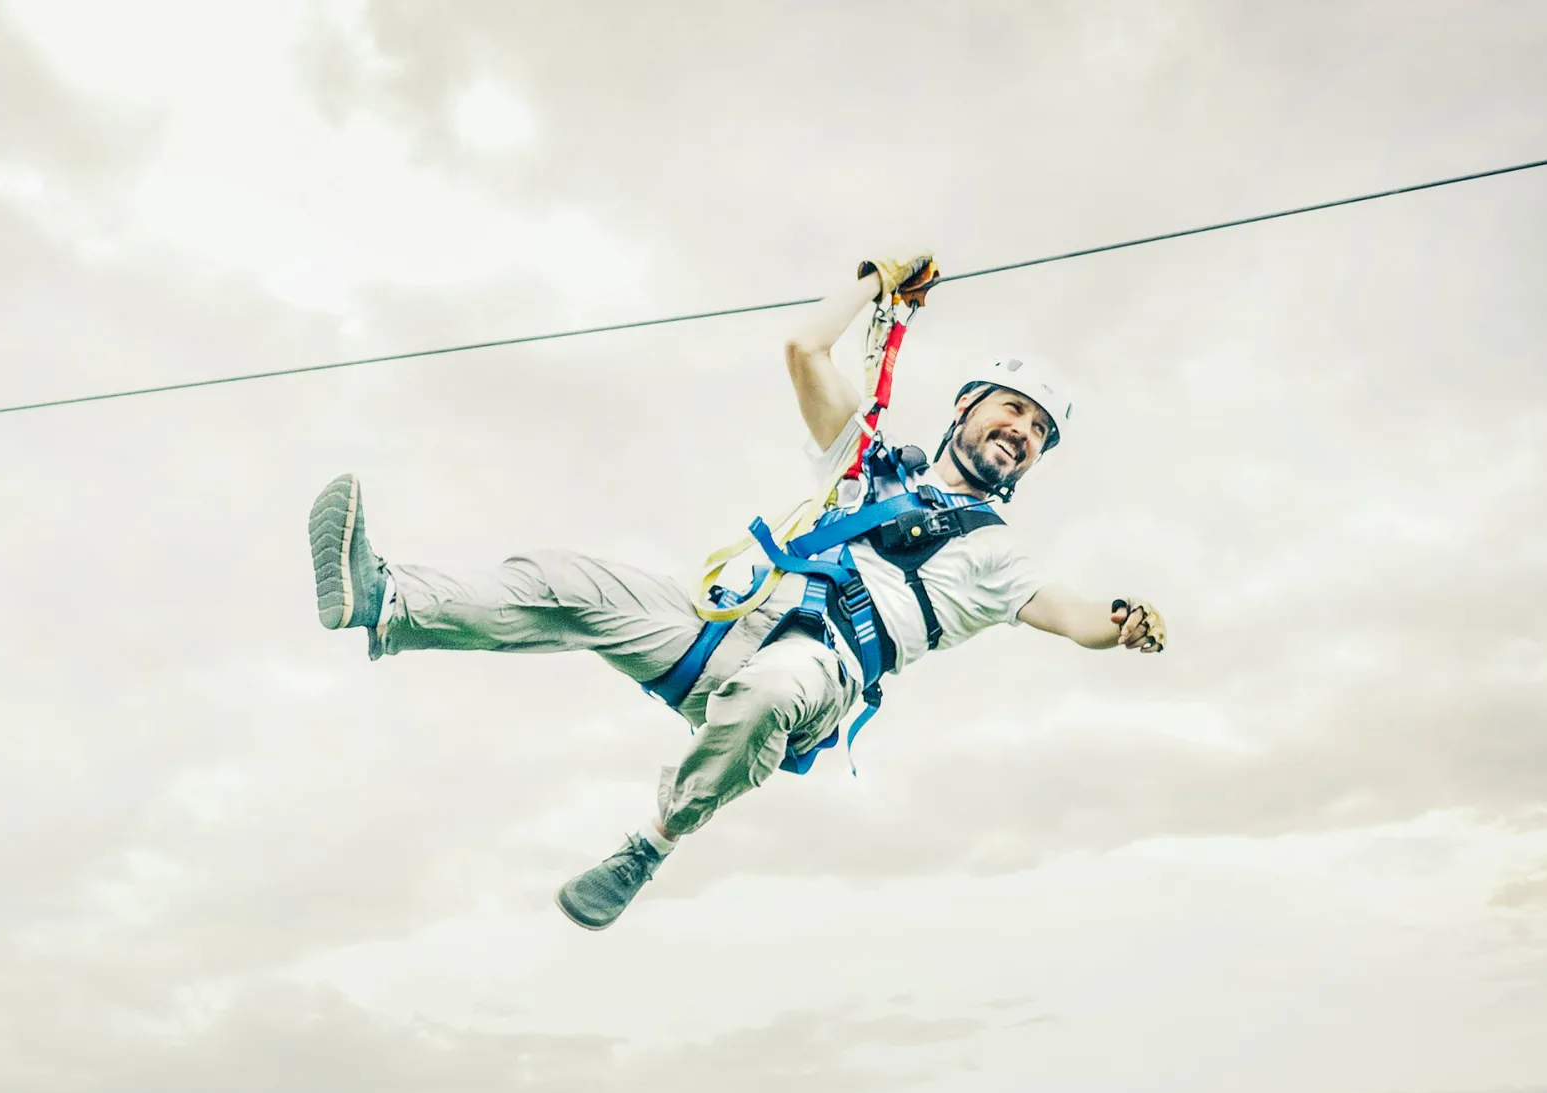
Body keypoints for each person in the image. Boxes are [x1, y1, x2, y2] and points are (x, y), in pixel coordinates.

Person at [304, 250, 1165, 930]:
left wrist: (1118, 622)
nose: (1020, 432)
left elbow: (1071, 614)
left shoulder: (994, 554)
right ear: (968, 406)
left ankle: (651, 845)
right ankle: (382, 599)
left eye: (1038, 432)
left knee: (770, 689)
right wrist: (875, 282)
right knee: (564, 581)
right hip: (724, 620)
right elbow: (803, 350)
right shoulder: (866, 462)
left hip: (816, 670)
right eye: (1011, 410)